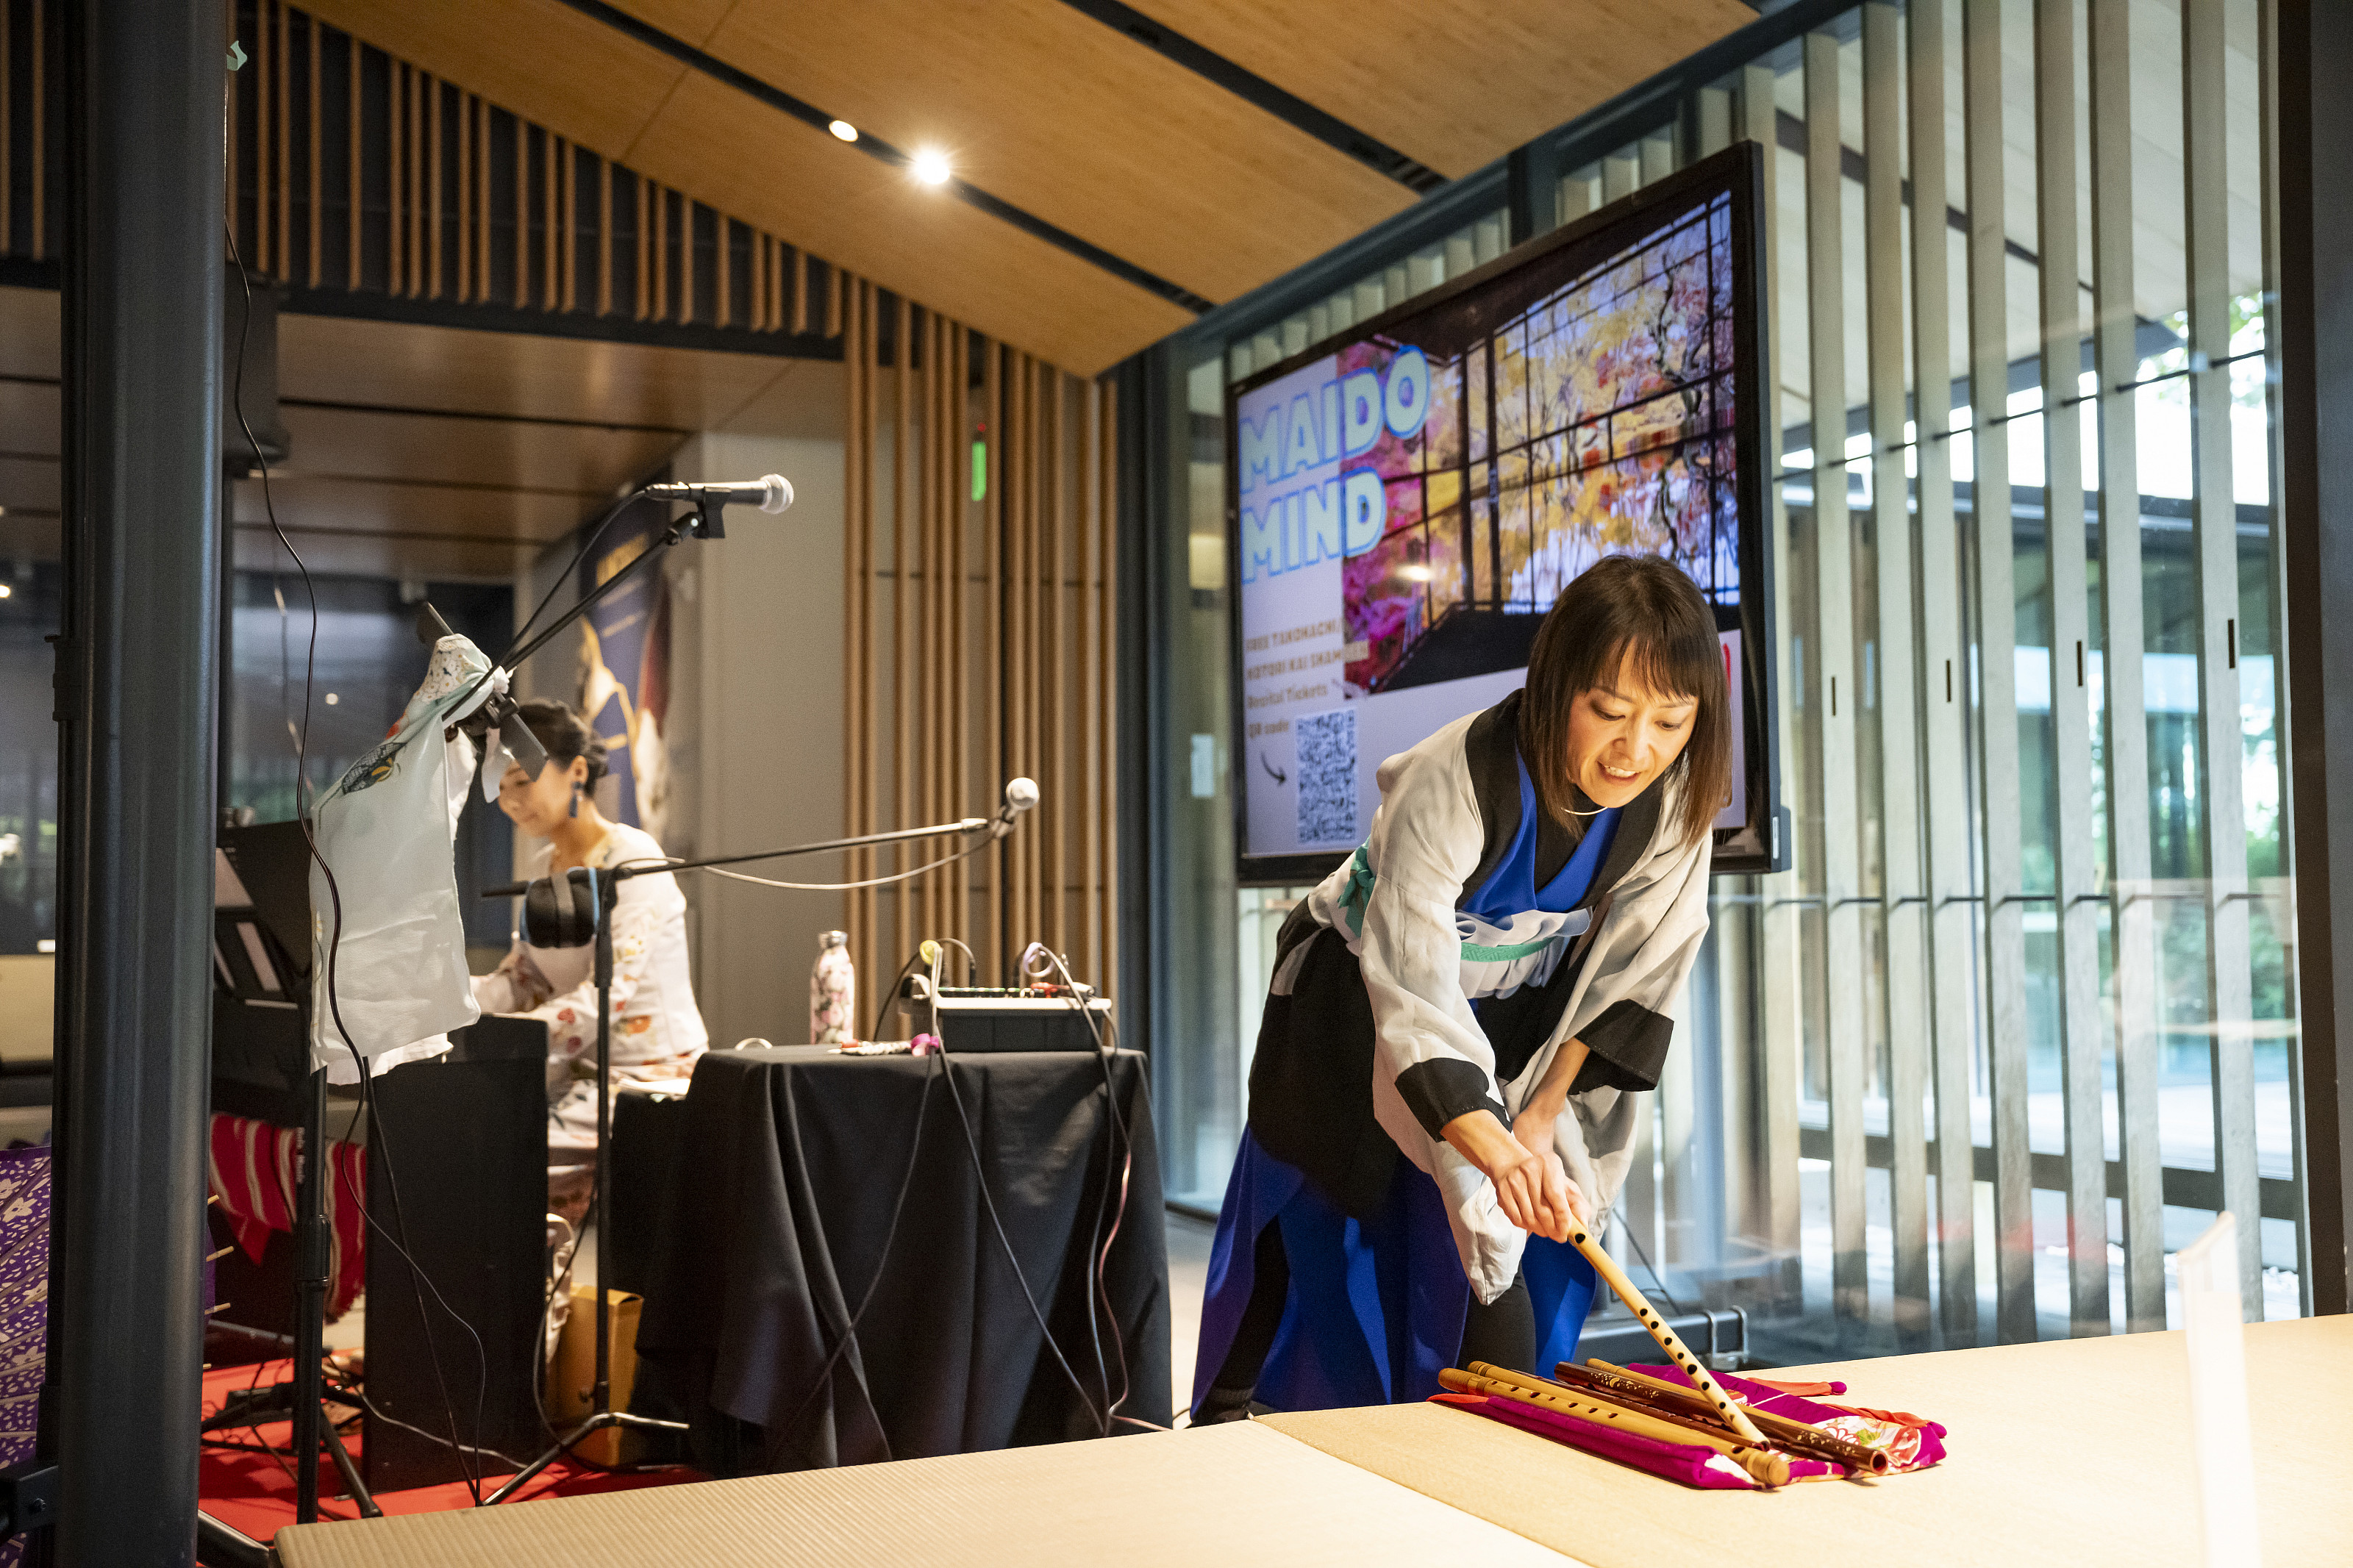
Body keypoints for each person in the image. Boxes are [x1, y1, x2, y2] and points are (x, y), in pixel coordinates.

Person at [1193, 554, 1731, 1421]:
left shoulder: (1672, 802)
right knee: (1328, 1227)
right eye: (1608, 712)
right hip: (1358, 1003)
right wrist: (1488, 1146)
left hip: (1519, 1023)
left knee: (1508, 1250)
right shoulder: (1451, 776)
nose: (1637, 750)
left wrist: (1542, 1116)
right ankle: (1235, 1421)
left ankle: (1487, 1456)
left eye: (1671, 722)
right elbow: (1411, 982)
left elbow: (1642, 971)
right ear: (1557, 684)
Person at [473, 699, 707, 1215]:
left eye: (522, 780)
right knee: (466, 1130)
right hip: (576, 1072)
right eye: (501, 787)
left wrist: (512, 1035)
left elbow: (610, 993)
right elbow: (525, 979)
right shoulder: (541, 869)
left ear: (576, 770)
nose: (511, 800)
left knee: (500, 1152)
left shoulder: (633, 858)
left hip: (649, 1075)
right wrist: (453, 999)